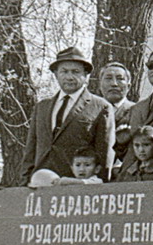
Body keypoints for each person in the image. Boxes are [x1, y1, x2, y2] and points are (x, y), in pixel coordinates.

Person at [20, 46, 114, 184]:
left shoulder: (100, 107)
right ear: (56, 74)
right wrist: (25, 181)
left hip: (76, 185)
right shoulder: (42, 107)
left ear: (86, 75)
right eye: (64, 71)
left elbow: (104, 153)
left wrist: (98, 187)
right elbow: (31, 149)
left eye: (75, 72)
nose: (69, 77)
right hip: (41, 183)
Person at [98, 62, 135, 130]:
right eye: (108, 78)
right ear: (100, 85)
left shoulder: (138, 111)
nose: (114, 84)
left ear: (128, 86)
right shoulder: (92, 110)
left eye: (120, 79)